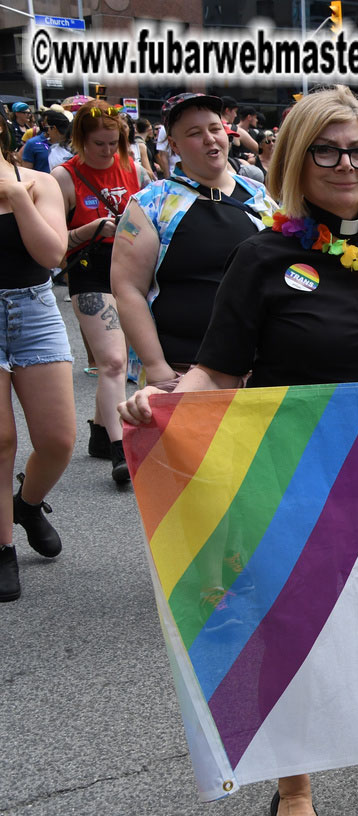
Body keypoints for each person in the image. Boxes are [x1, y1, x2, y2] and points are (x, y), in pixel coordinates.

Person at [119, 84, 358, 816]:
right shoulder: (261, 259)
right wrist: (162, 402)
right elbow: (220, 369)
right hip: (293, 482)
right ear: (298, 158)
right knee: (294, 636)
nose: (346, 163)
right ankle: (295, 789)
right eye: (326, 148)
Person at [112, 92, 278, 400]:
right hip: (182, 373)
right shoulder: (151, 203)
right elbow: (127, 289)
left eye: (214, 129)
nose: (209, 139)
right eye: (194, 133)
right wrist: (157, 368)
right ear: (173, 146)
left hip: (259, 372)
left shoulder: (259, 196)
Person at [51, 101, 151, 485]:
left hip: (131, 270)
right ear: (80, 140)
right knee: (112, 362)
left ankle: (98, 430)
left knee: (122, 361)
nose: (109, 152)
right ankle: (118, 448)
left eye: (114, 143)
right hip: (90, 272)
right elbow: (53, 246)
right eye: (100, 145)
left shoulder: (133, 167)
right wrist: (91, 229)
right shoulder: (63, 177)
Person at [0, 108, 74, 603]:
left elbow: (52, 255)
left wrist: (13, 199)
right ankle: (3, 545)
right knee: (1, 439)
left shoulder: (38, 181)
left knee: (58, 440)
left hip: (34, 309)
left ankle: (26, 505)